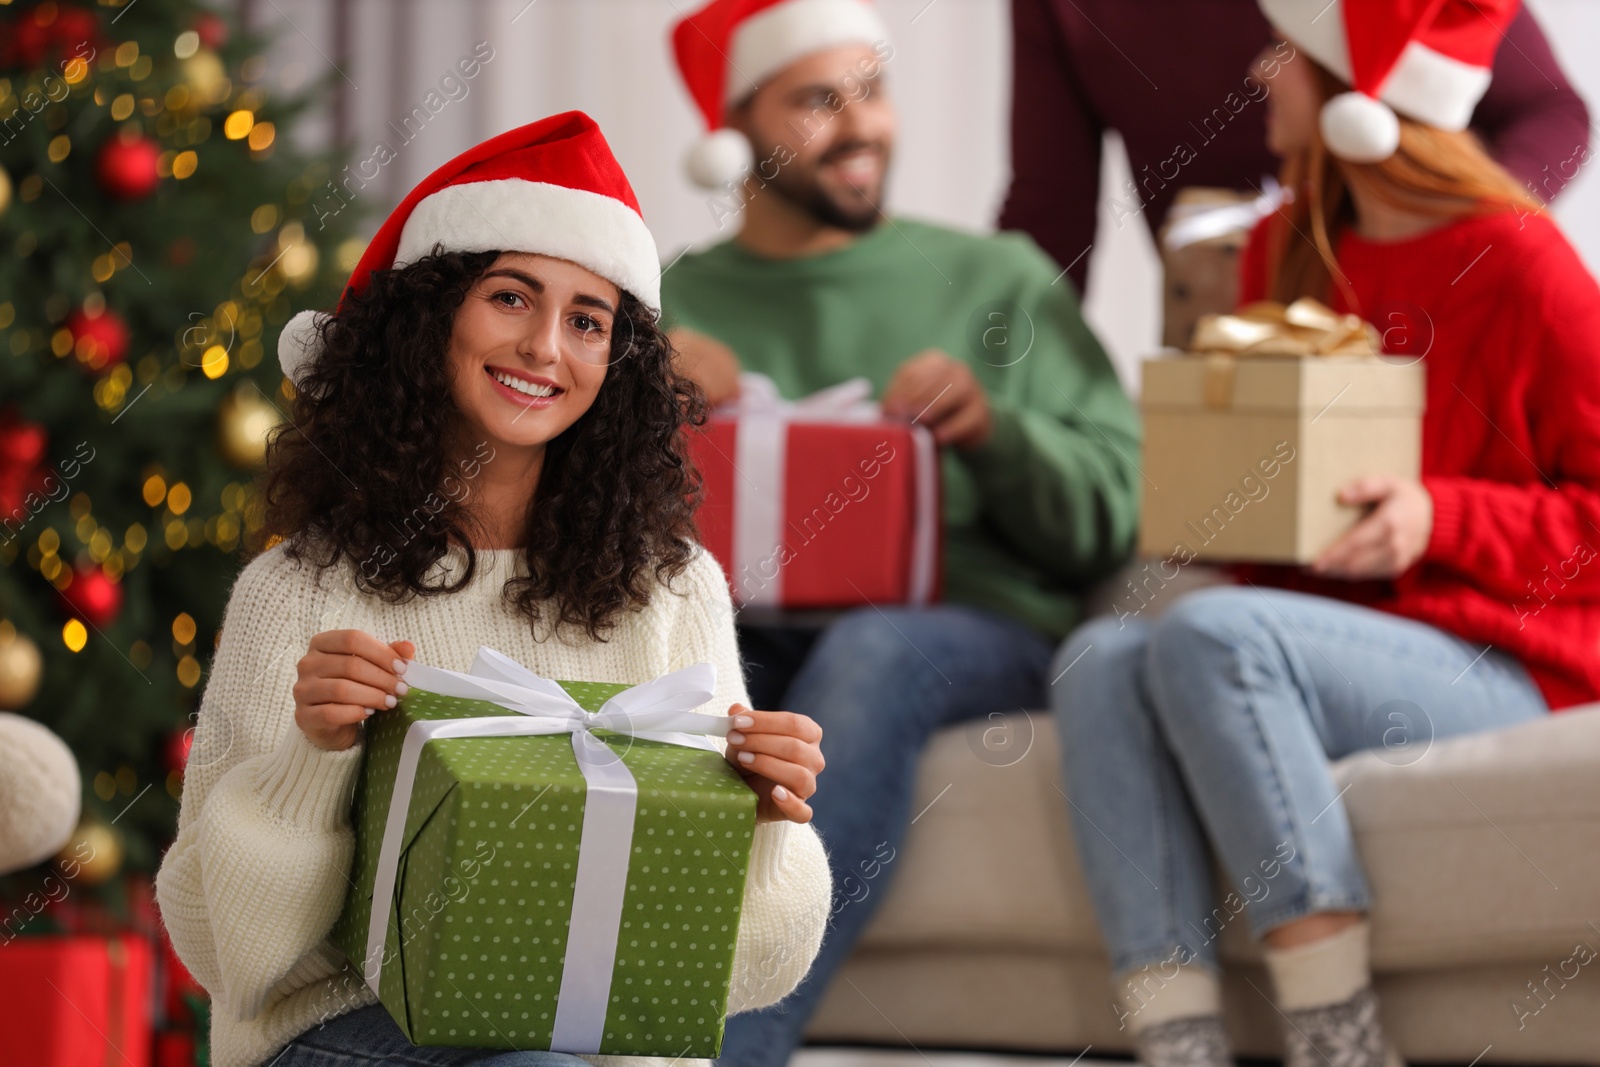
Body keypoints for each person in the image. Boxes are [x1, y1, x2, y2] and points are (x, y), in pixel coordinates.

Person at [153, 112, 832, 1067]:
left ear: (616, 364)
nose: (546, 348)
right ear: (433, 316)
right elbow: (223, 950)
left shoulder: (674, 591)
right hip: (342, 1036)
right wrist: (313, 760)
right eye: (511, 298)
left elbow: (752, 971)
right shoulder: (295, 590)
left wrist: (761, 821)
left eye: (587, 322)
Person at [1050, 0, 1600, 1065]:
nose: (1261, 73)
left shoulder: (1528, 267)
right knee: (1096, 656)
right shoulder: (1280, 250)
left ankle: (1335, 1032)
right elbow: (1279, 512)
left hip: (1509, 654)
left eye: (1289, 56)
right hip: (1322, 641)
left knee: (1213, 634)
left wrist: (1440, 513)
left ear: (1360, 104)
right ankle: (1177, 1038)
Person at [662, 1, 1141, 1062]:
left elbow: (1115, 511)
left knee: (872, 647)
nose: (862, 124)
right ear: (735, 128)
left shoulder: (999, 280)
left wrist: (994, 432)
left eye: (872, 91)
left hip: (962, 624)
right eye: (819, 100)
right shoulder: (669, 304)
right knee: (661, 663)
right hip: (747, 617)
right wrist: (639, 412)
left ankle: (733, 1044)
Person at [1000, 0, 1592, 295]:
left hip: (1427, 305)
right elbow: (1050, 214)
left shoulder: (1533, 280)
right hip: (1235, 319)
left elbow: (1550, 112)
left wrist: (1443, 244)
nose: (1261, 73)